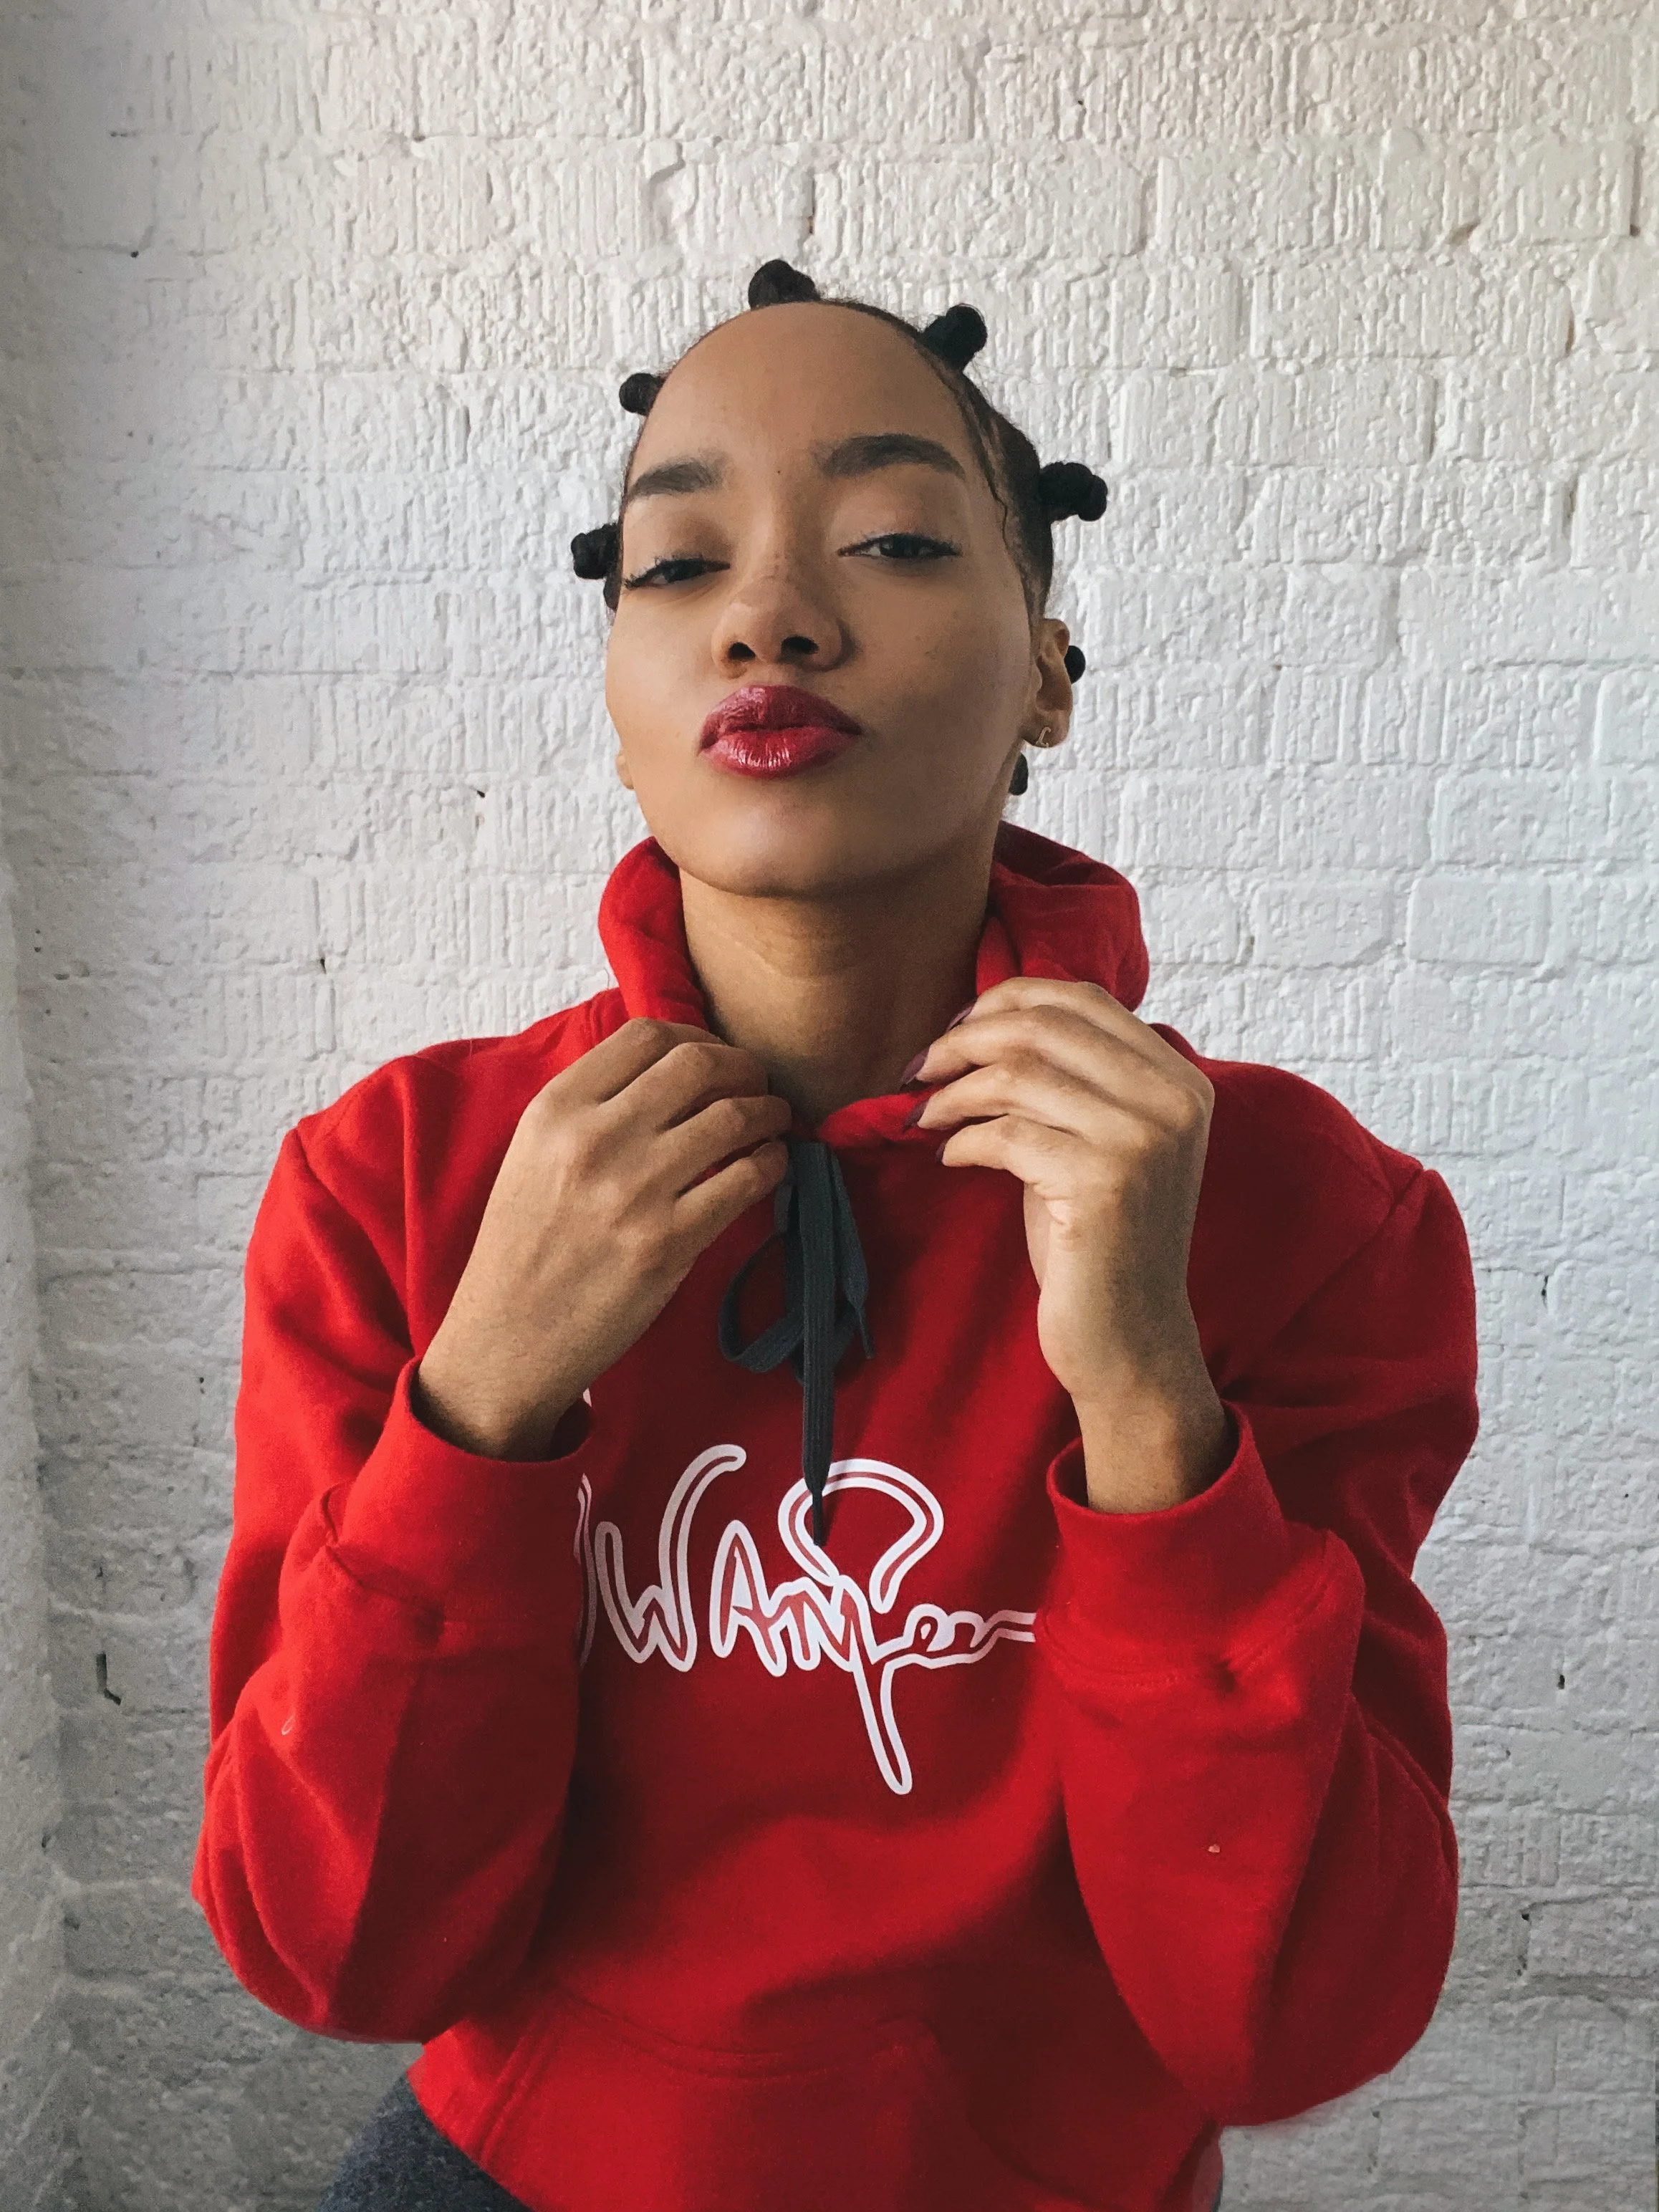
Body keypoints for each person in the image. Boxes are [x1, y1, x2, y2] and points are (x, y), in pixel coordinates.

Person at [191, 261, 1479, 2212]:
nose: (770, 619)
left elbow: (1294, 2018)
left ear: (1047, 671)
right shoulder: (400, 1179)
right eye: (676, 565)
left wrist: (1148, 1405)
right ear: (617, 699)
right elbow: (334, 1953)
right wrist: (485, 1398)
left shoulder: (1309, 1215)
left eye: (890, 539)